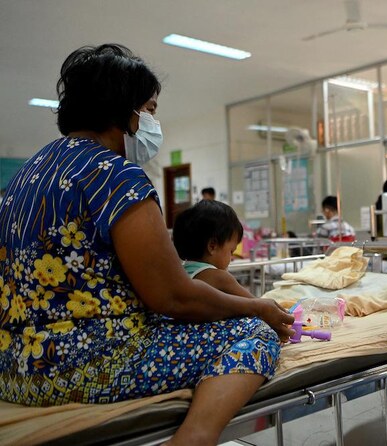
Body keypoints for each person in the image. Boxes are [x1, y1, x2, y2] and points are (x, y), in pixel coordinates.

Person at [0, 44, 293, 446]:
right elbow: (173, 296)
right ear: (124, 109)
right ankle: (195, 438)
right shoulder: (115, 175)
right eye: (150, 110)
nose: (153, 122)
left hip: (14, 367)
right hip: (83, 366)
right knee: (252, 334)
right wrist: (257, 308)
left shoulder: (25, 176)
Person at [173, 200, 255, 298]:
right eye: (231, 251)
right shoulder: (219, 278)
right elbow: (254, 303)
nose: (231, 258)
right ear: (212, 246)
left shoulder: (179, 273)